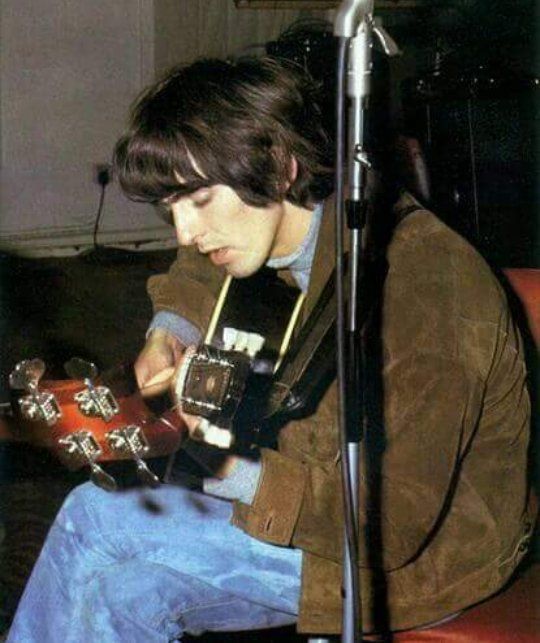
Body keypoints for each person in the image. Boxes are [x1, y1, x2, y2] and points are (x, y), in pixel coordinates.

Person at [6, 56, 535, 642]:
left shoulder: (425, 287)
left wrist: (222, 463)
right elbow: (194, 266)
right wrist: (168, 332)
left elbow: (396, 524)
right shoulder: (294, 212)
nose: (184, 232)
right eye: (170, 209)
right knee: (120, 595)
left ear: (280, 169)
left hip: (418, 561)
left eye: (200, 200)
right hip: (306, 488)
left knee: (94, 514)